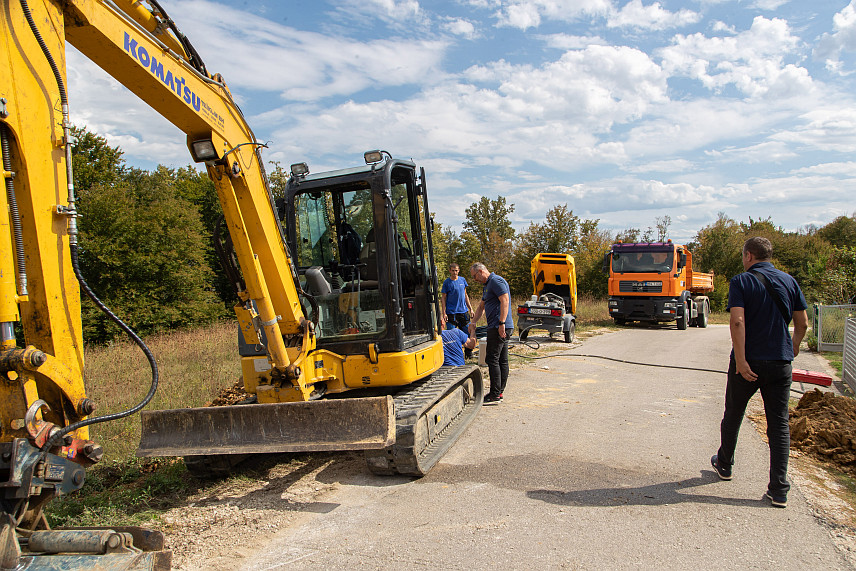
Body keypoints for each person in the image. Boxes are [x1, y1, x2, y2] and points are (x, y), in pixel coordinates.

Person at [711, 236, 808, 508]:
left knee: (733, 413)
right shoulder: (790, 281)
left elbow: (737, 321)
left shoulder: (741, 282)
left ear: (749, 256)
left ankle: (725, 465)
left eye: (743, 256)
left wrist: (741, 361)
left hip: (749, 362)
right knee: (778, 425)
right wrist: (794, 347)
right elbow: (802, 323)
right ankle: (779, 490)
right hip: (780, 363)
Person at [470, 262, 513, 404]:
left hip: (498, 326)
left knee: (492, 359)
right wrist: (473, 322)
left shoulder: (496, 281)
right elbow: (481, 306)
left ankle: (495, 394)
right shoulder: (487, 286)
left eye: (475, 276)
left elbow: (505, 300)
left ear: (481, 271)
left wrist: (501, 323)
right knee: (501, 359)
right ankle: (498, 392)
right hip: (497, 326)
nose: (474, 280)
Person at [440, 263, 475, 359]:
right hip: (451, 313)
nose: (454, 272)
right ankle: (454, 356)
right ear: (450, 271)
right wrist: (444, 313)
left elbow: (465, 295)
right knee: (452, 336)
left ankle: (468, 353)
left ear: (458, 270)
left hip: (463, 312)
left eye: (456, 270)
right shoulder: (447, 282)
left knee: (467, 332)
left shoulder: (462, 280)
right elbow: (443, 298)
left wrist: (470, 308)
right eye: (453, 270)